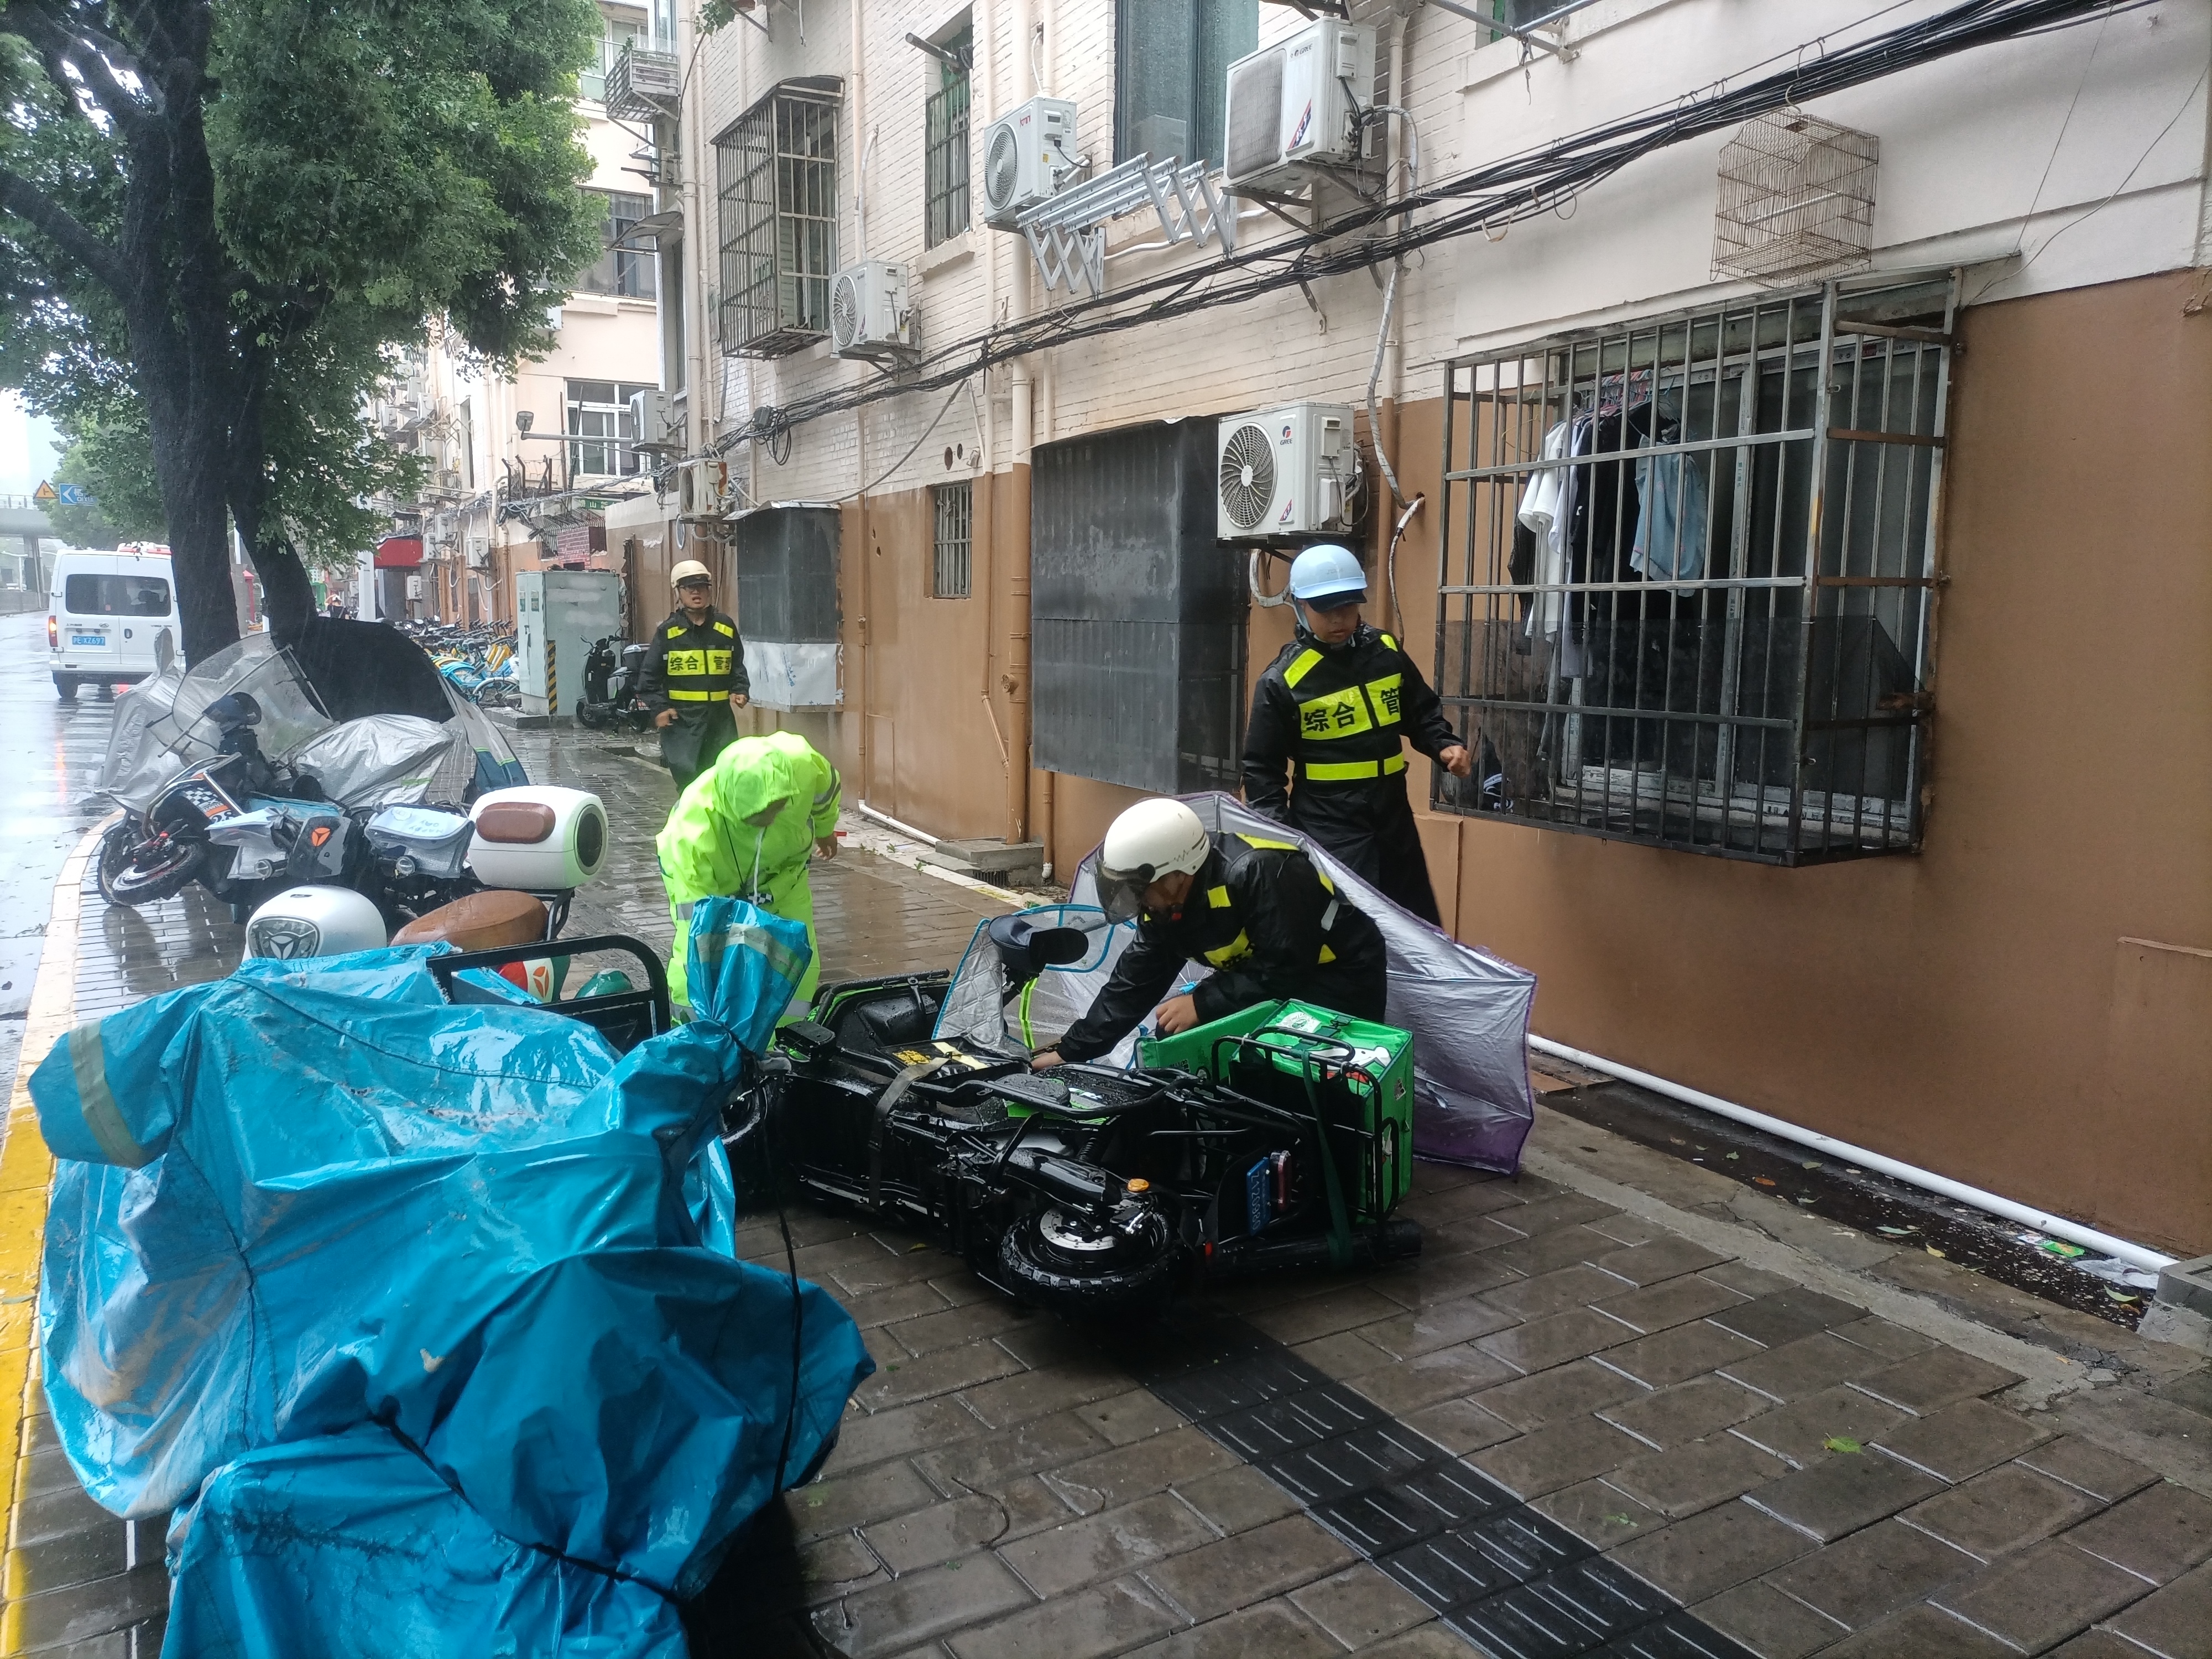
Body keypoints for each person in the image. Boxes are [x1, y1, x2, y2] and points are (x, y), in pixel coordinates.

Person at [1030, 797, 1387, 1070]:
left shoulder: (1261, 871)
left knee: (1288, 1069)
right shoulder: (1165, 904)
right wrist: (1072, 1050)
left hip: (1338, 976)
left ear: (1179, 874)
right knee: (1174, 1035)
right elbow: (1136, 980)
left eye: (1140, 888)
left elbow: (1285, 964)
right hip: (1266, 978)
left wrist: (1203, 1004)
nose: (1137, 902)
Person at [1243, 544, 1473, 926]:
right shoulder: (1282, 681)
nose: (1339, 619)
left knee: (1416, 923)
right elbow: (1261, 773)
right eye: (1325, 609)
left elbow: (1420, 712)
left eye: (1348, 607)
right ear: (1299, 606)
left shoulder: (1385, 651)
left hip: (1393, 817)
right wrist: (1282, 842)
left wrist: (1444, 745)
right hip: (1329, 827)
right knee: (1350, 931)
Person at [656, 732, 841, 1016]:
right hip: (716, 885)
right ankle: (694, 1026)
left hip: (784, 876)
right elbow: (700, 930)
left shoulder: (803, 762)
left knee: (795, 955)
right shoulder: (690, 837)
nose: (769, 820)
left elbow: (826, 792)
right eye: (756, 818)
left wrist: (826, 831)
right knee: (703, 957)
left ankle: (787, 1032)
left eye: (777, 807)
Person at [638, 559, 749, 794]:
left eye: (701, 587)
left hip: (720, 720)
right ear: (678, 592)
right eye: (689, 587)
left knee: (723, 778)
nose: (696, 592)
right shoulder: (667, 633)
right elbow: (648, 678)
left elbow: (737, 665)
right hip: (683, 722)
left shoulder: (725, 627)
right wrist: (660, 709)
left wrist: (740, 688)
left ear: (709, 591)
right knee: (690, 782)